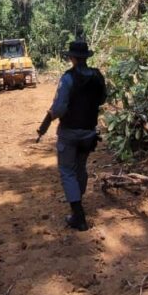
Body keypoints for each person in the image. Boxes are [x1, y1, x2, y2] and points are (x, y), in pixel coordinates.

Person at [36, 40, 107, 231]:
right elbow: (102, 99)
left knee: (67, 171)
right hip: (88, 132)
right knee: (80, 168)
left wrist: (46, 122)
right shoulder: (97, 76)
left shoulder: (68, 78)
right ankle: (78, 201)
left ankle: (78, 215)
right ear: (86, 57)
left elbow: (58, 108)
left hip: (69, 132)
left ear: (73, 58)